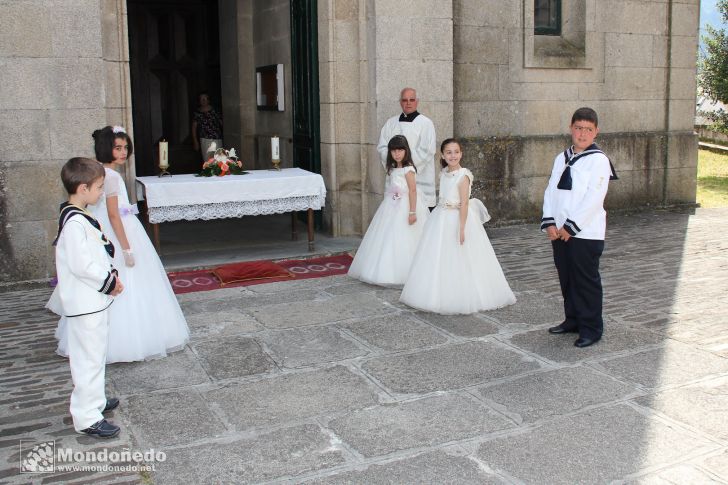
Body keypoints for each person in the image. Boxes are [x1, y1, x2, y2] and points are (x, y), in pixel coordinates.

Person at [54, 126, 190, 362]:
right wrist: (126, 248)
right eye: (118, 147)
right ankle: (131, 339)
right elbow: (114, 214)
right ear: (106, 148)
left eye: (126, 147)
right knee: (129, 280)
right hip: (120, 232)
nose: (123, 152)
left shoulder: (99, 172)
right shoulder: (112, 176)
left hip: (108, 231)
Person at [46, 157, 124, 438]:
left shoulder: (78, 215)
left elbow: (95, 253)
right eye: (99, 187)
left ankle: (96, 400)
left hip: (93, 301)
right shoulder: (74, 223)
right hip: (86, 301)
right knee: (87, 359)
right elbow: (81, 265)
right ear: (82, 188)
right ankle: (87, 417)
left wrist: (111, 273)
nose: (101, 192)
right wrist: (108, 283)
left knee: (95, 354)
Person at [400, 138, 516, 314]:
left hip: (458, 219)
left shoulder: (464, 176)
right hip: (441, 218)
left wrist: (462, 228)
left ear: (461, 153)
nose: (452, 155)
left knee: (462, 256)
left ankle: (466, 293)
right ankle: (437, 292)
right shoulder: (444, 173)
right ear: (443, 155)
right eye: (448, 152)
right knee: (439, 255)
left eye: (456, 152)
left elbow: (464, 204)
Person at [541, 107, 618, 348]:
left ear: (596, 132)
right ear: (571, 128)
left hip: (584, 233)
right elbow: (550, 191)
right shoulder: (561, 157)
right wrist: (549, 222)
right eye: (578, 128)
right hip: (559, 232)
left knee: (585, 280)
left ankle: (591, 327)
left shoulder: (599, 161)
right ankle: (572, 319)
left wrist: (571, 227)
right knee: (567, 277)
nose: (582, 134)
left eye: (588, 129)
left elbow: (594, 198)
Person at [348, 135, 430, 286]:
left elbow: (412, 190)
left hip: (406, 206)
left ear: (406, 151)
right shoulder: (393, 168)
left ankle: (408, 272)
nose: (397, 154)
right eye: (393, 151)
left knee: (404, 236)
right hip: (391, 205)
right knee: (386, 235)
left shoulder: (409, 169)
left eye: (400, 150)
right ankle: (382, 269)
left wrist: (412, 212)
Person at [377, 87, 437, 209]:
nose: (408, 103)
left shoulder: (426, 123)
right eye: (404, 100)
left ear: (417, 101)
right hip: (396, 180)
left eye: (412, 99)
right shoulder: (391, 123)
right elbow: (382, 147)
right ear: (400, 102)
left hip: (419, 179)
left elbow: (427, 150)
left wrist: (405, 165)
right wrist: (395, 163)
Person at [191, 91, 223, 162]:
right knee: (208, 161)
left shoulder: (215, 110)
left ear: (208, 100)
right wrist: (195, 141)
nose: (203, 101)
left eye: (205, 99)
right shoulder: (197, 113)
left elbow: (221, 123)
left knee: (219, 160)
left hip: (216, 138)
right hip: (204, 139)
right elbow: (194, 127)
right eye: (201, 99)